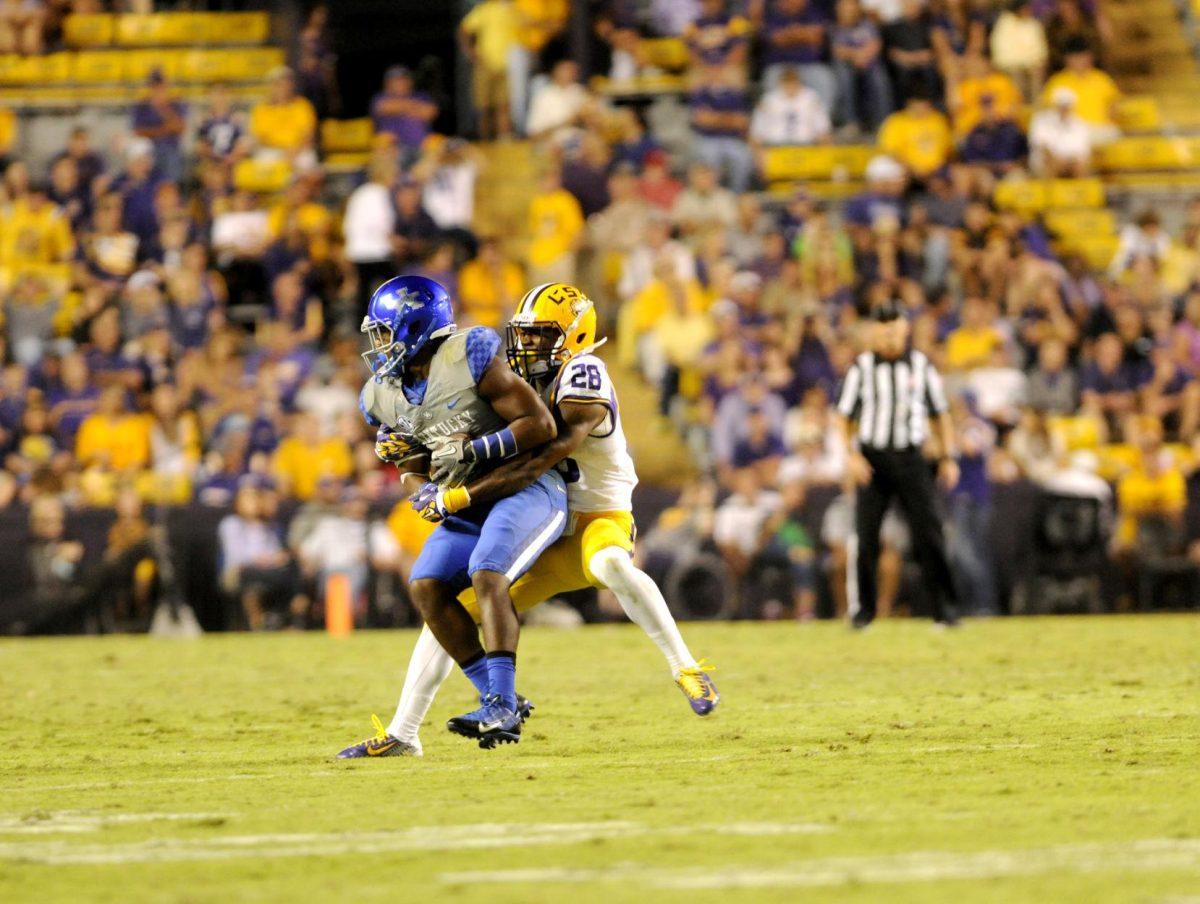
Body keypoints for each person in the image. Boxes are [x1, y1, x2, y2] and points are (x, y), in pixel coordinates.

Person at [339, 283, 716, 759]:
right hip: (539, 520)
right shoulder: (511, 374)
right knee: (454, 608)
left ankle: (686, 667)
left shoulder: (584, 371)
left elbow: (549, 448)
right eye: (523, 335)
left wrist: (464, 465)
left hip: (593, 514)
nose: (526, 347)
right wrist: (419, 448)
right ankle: (404, 730)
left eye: (539, 336)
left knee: (611, 567)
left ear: (575, 337)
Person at [349, 275, 563, 750]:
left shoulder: (470, 355)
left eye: (384, 332)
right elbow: (410, 458)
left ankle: (502, 708)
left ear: (416, 327)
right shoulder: (382, 391)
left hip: (521, 488)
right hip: (463, 502)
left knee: (486, 570)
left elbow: (540, 424)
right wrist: (420, 487)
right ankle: (496, 693)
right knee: (425, 586)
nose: (378, 344)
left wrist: (480, 448)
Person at [834, 302, 961, 628]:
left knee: (929, 533)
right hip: (873, 460)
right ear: (874, 332)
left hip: (911, 457)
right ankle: (863, 613)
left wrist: (947, 457)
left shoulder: (920, 367)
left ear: (905, 330)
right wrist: (851, 456)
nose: (889, 336)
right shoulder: (860, 369)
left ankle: (944, 610)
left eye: (895, 328)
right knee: (866, 538)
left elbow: (940, 414)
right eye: (883, 329)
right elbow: (843, 417)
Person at [370, 66, 438, 163]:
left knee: (437, 145)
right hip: (393, 145)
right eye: (396, 81)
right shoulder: (380, 97)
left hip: (421, 145)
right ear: (387, 84)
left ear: (410, 81)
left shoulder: (421, 96)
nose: (401, 83)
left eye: (404, 80)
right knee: (383, 143)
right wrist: (416, 108)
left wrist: (401, 107)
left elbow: (430, 113)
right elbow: (384, 107)